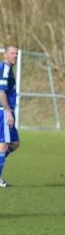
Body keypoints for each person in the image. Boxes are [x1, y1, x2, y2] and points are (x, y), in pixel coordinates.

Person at [0, 44, 20, 188]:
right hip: (3, 111)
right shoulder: (5, 69)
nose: (15, 56)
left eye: (17, 54)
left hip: (5, 111)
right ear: (5, 54)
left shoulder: (8, 69)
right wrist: (8, 112)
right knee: (4, 145)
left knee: (14, 143)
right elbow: (1, 92)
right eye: (13, 53)